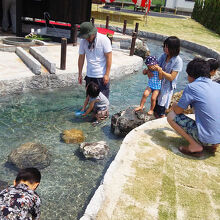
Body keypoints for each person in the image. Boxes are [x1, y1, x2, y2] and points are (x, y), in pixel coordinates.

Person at [167, 58, 220, 157]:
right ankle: (213, 145)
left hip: (206, 138)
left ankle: (195, 145)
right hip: (218, 138)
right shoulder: (217, 86)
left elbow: (178, 111)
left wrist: (174, 105)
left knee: (171, 116)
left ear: (192, 75)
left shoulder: (192, 87)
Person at [78, 22, 112, 99]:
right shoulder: (83, 42)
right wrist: (80, 73)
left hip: (101, 76)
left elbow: (109, 57)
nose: (87, 39)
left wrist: (107, 74)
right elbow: (81, 57)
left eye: (88, 37)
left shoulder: (104, 40)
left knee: (102, 102)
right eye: (85, 37)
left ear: (93, 33)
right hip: (89, 75)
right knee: (89, 100)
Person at [151, 36, 183, 118]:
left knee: (161, 111)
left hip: (167, 89)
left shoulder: (178, 61)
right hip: (158, 85)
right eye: (164, 46)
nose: (165, 48)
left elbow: (171, 77)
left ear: (173, 48)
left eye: (167, 47)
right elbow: (156, 65)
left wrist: (160, 70)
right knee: (155, 108)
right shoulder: (163, 56)